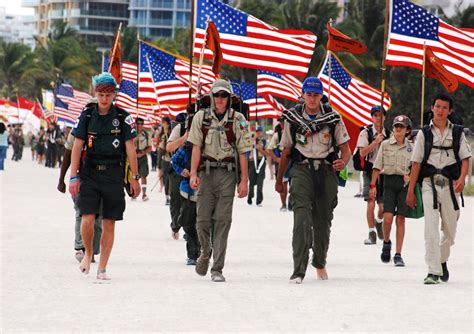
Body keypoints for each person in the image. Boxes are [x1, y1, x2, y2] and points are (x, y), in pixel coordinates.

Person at [276, 77, 351, 283]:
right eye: (308, 94)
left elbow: (346, 149)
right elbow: (286, 150)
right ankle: (298, 269)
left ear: (321, 96)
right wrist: (280, 179)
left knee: (322, 220)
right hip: (302, 170)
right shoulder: (292, 118)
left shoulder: (333, 118)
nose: (311, 98)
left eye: (315, 94)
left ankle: (319, 262)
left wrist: (343, 163)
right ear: (303, 95)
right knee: (301, 219)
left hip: (326, 172)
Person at [69, 72, 140, 280]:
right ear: (95, 93)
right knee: (87, 218)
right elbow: (76, 146)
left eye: (108, 94)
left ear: (114, 95)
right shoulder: (87, 115)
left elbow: (130, 149)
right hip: (90, 172)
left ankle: (102, 267)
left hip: (113, 174)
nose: (104, 98)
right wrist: (73, 177)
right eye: (101, 93)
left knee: (109, 222)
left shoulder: (122, 117)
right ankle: (88, 253)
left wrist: (135, 177)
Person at [188, 79, 252, 282]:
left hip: (227, 174)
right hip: (206, 173)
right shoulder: (201, 117)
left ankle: (217, 268)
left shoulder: (238, 119)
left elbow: (243, 152)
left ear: (229, 98)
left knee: (223, 221)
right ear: (211, 97)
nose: (220, 99)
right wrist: (192, 173)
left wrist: (244, 180)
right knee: (202, 220)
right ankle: (205, 252)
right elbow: (196, 146)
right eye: (217, 95)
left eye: (224, 95)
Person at [406, 94, 472, 284]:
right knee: (431, 228)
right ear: (432, 108)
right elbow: (416, 162)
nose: (440, 110)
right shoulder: (424, 134)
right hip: (429, 184)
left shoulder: (457, 132)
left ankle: (442, 260)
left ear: (449, 110)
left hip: (451, 186)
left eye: (444, 107)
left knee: (450, 232)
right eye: (437, 107)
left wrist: (462, 179)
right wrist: (411, 190)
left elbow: (466, 158)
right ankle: (433, 271)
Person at [370, 115, 413, 267]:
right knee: (387, 218)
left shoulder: (412, 147)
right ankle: (387, 242)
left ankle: (398, 254)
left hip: (403, 185)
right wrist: (373, 186)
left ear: (407, 130)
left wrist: (412, 181)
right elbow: (376, 166)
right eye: (396, 126)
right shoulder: (386, 144)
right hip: (388, 182)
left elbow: (416, 167)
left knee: (400, 219)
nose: (398, 129)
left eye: (402, 126)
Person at [58, 130, 102, 263]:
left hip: (103, 178)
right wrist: (62, 179)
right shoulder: (79, 128)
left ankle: (92, 250)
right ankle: (81, 247)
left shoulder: (108, 125)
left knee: (98, 215)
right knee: (81, 211)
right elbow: (68, 152)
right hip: (81, 177)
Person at [356, 105, 388, 245]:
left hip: (384, 171)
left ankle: (379, 222)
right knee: (370, 202)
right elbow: (362, 153)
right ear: (372, 117)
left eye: (381, 115)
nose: (378, 118)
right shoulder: (365, 133)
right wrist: (375, 142)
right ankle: (371, 232)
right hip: (370, 169)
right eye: (375, 115)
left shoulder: (390, 134)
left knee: (382, 206)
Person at [171, 141, 200, 265]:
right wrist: (181, 170)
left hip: (207, 191)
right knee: (188, 224)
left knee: (205, 225)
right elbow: (174, 160)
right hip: (187, 191)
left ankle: (205, 252)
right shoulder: (186, 147)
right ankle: (192, 254)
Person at [166, 112, 188, 240]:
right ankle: (175, 225)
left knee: (191, 201)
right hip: (176, 169)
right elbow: (169, 147)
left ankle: (188, 228)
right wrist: (184, 138)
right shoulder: (180, 128)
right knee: (176, 200)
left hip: (193, 170)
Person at [267, 120, 290, 212]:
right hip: (281, 162)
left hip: (292, 162)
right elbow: (269, 148)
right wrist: (276, 159)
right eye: (281, 123)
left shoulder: (293, 132)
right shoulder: (277, 135)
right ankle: (284, 204)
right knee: (283, 183)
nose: (283, 125)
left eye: (284, 123)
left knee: (295, 184)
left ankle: (293, 202)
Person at [247, 126, 267, 207]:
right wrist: (253, 140)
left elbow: (267, 153)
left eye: (259, 132)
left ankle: (259, 200)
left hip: (261, 161)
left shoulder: (264, 141)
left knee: (260, 182)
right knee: (251, 181)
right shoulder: (251, 139)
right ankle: (250, 197)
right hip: (252, 161)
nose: (258, 133)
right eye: (257, 132)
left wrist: (260, 149)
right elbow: (247, 148)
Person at [134, 117, 152, 201]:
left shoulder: (146, 134)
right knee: (134, 176)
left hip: (143, 156)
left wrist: (143, 153)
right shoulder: (131, 133)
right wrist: (135, 139)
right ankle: (133, 193)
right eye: (138, 124)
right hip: (133, 157)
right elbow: (127, 145)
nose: (140, 125)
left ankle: (144, 194)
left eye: (141, 124)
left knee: (144, 175)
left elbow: (150, 147)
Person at [158, 117, 172, 205]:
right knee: (166, 179)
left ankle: (172, 195)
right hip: (165, 160)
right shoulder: (162, 135)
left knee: (172, 179)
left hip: (173, 160)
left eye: (163, 123)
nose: (162, 125)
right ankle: (167, 197)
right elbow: (161, 149)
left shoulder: (171, 133)